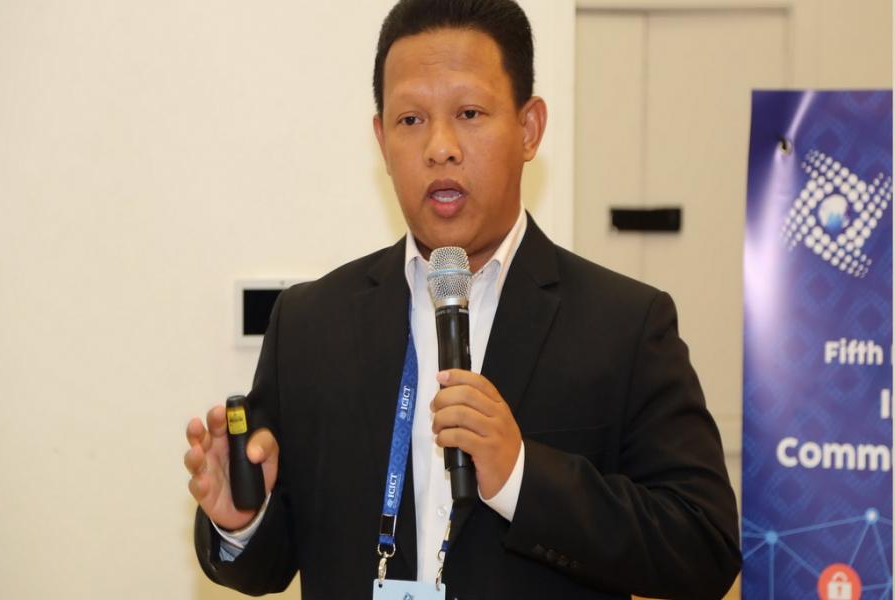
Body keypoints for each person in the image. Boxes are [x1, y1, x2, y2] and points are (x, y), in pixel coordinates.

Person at [183, 1, 742, 598]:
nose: (440, 147)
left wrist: (520, 477)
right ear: (382, 139)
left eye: (469, 113)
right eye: (410, 119)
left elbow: (703, 547)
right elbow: (270, 563)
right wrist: (241, 521)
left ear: (529, 129)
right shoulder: (310, 325)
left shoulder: (624, 324)